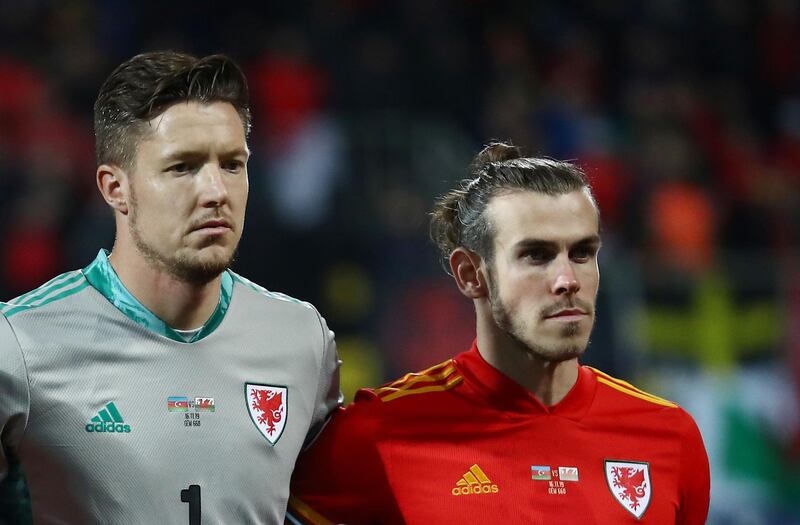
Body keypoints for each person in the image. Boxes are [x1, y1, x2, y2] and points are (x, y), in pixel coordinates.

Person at [287, 142, 710, 524]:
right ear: (471, 274)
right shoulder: (377, 434)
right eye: (536, 255)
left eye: (582, 253)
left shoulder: (669, 438)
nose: (568, 279)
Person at [0, 51, 341, 524]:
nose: (215, 191)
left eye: (232, 165)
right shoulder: (18, 345)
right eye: (182, 167)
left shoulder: (301, 338)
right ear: (115, 188)